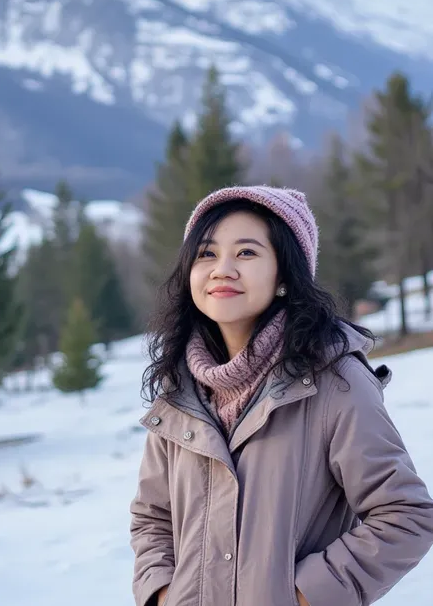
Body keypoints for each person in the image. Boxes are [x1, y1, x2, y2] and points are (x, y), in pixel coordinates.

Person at [130, 186, 433, 606]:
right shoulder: (180, 392)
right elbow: (152, 517)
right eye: (206, 254)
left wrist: (307, 595)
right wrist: (162, 593)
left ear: (285, 276)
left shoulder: (334, 381)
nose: (222, 269)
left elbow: (406, 516)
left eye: (247, 253)